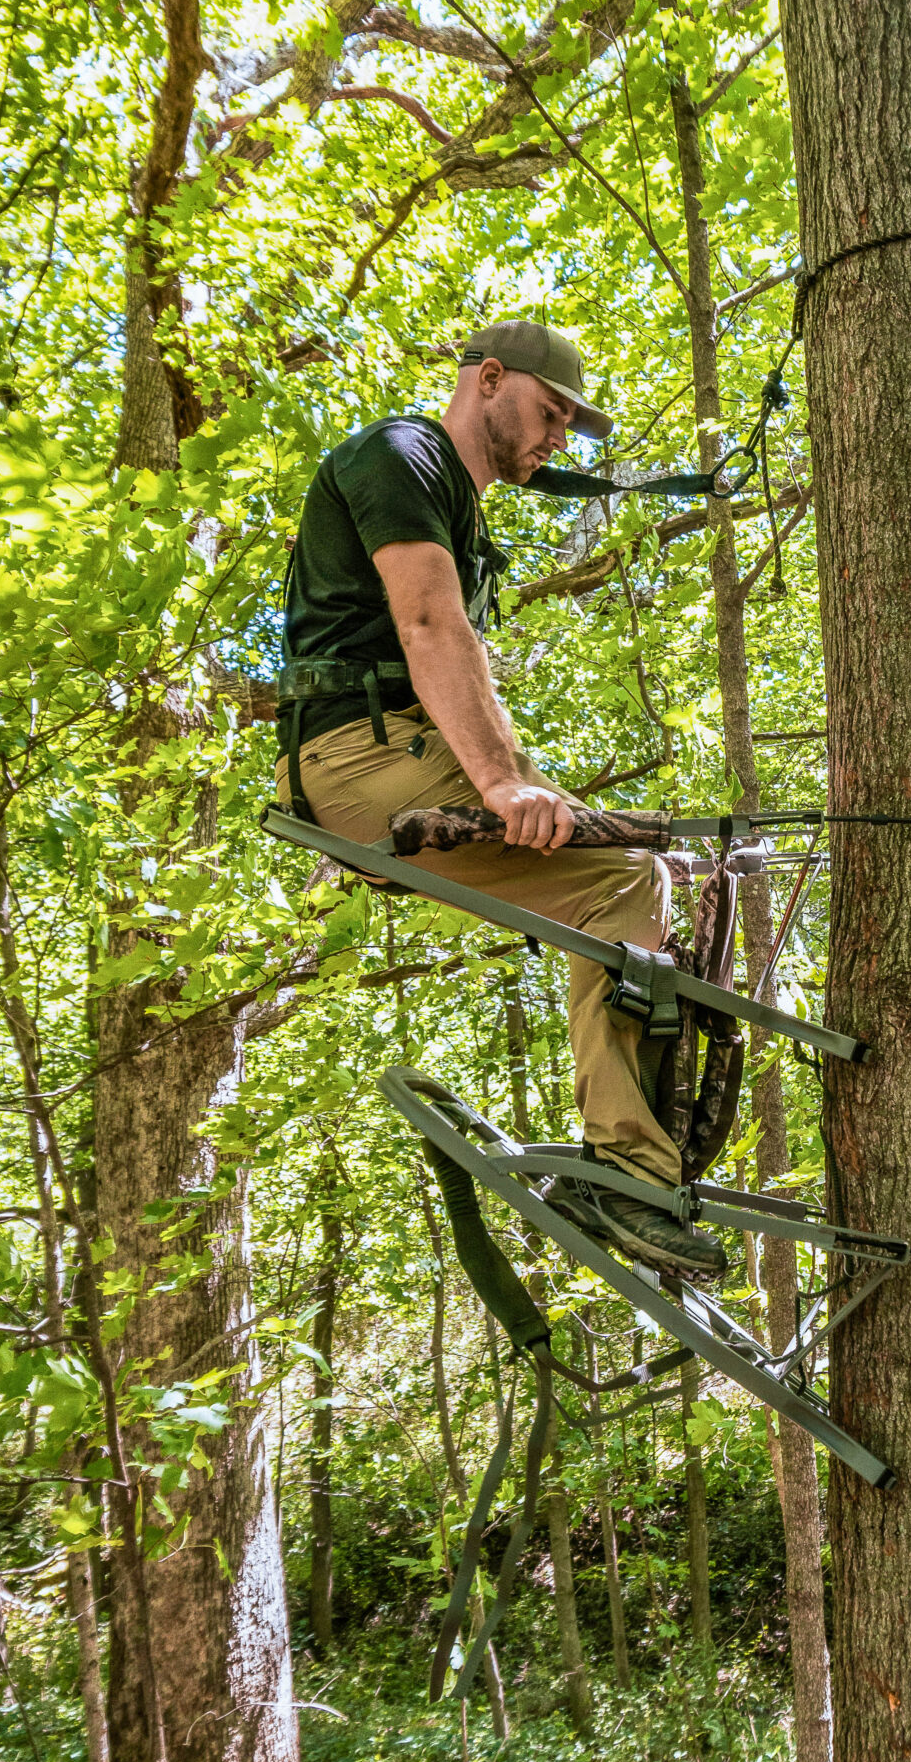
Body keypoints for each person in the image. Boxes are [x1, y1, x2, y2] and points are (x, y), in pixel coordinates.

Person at [275, 319, 726, 1276]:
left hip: (390, 752)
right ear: (489, 380)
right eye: (550, 411)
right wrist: (504, 783)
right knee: (616, 884)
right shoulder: (401, 454)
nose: (558, 437)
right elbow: (431, 623)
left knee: (639, 881)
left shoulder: (461, 507)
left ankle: (637, 1157)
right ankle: (628, 1175)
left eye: (566, 423)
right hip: (360, 757)